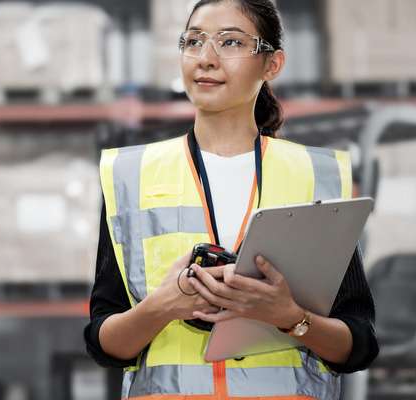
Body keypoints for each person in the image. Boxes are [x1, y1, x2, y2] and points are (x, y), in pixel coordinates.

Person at [84, 0, 379, 399]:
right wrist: (164, 306)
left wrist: (290, 318)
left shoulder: (316, 176)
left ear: (272, 64)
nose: (206, 59)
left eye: (230, 42)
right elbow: (104, 343)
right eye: (194, 41)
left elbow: (358, 344)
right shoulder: (130, 176)